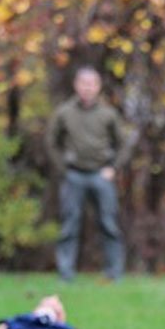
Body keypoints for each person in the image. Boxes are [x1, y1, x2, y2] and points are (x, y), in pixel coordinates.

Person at [46, 67, 126, 282]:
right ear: (76, 85)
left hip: (101, 175)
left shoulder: (108, 114)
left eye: (92, 84)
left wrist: (113, 168)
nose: (88, 88)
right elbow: (52, 143)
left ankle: (114, 274)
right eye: (84, 83)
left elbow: (123, 144)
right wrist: (64, 169)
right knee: (69, 225)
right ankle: (66, 274)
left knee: (109, 224)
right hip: (74, 175)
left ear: (98, 86)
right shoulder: (64, 112)